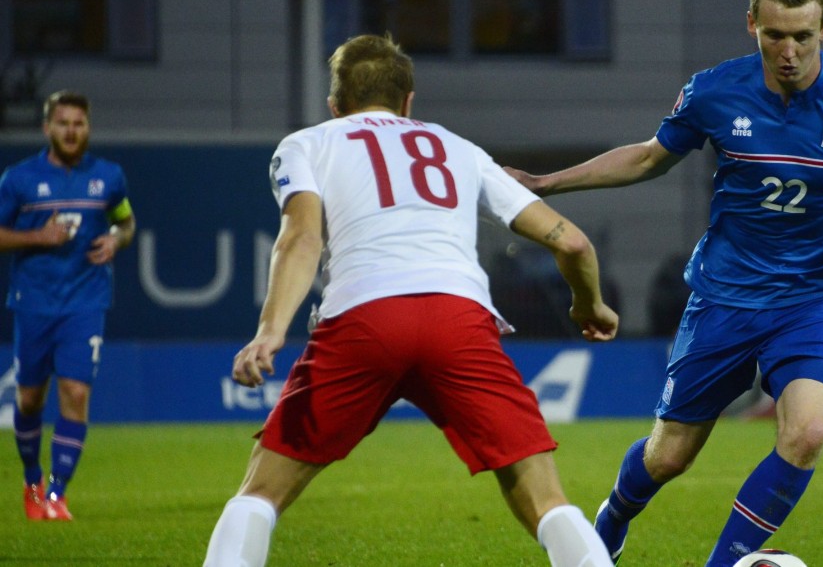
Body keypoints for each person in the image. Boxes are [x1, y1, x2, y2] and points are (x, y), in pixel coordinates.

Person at [506, 0, 823, 565]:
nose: (788, 51)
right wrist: (546, 183)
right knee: (669, 455)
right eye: (774, 35)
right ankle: (616, 514)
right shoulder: (714, 90)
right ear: (751, 22)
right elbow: (650, 157)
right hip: (725, 295)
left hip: (818, 296)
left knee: (807, 431)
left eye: (802, 37)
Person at [202, 33, 619, 567]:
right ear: (408, 102)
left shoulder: (308, 143)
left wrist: (270, 331)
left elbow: (300, 238)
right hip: (459, 321)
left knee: (260, 492)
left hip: (364, 318)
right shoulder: (459, 148)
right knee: (546, 500)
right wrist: (589, 304)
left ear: (335, 106)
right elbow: (572, 241)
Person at [0, 90, 136, 521]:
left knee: (75, 393)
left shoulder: (109, 177)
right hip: (34, 302)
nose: (72, 131)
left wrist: (117, 239)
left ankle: (58, 494)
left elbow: (126, 220)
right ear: (47, 128)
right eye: (63, 123)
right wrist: (37, 237)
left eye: (79, 123)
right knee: (30, 400)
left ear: (88, 127)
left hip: (86, 300)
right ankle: (31, 478)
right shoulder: (19, 179)